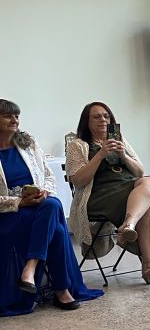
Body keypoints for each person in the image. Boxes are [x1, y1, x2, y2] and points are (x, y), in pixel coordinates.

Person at [0, 99, 103, 316]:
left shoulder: (28, 143)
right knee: (55, 227)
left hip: (38, 206)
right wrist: (18, 202)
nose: (14, 119)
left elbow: (48, 176)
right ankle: (62, 290)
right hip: (8, 214)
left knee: (52, 203)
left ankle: (30, 267)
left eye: (17, 115)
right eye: (8, 115)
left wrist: (43, 191)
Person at [66, 102, 150, 284]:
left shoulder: (119, 138)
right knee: (148, 208)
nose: (103, 120)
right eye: (96, 117)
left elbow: (139, 172)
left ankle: (129, 227)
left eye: (106, 116)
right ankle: (146, 263)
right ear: (86, 122)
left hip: (127, 188)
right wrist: (100, 155)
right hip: (98, 195)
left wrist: (123, 155)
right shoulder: (77, 145)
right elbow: (79, 180)